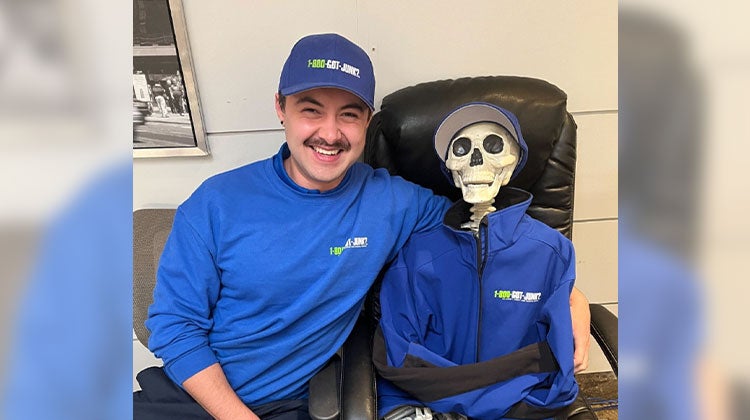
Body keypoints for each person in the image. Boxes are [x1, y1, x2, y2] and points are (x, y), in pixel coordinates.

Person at [134, 33, 591, 420]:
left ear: (368, 122)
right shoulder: (216, 203)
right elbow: (175, 327)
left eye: (349, 114)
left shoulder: (393, 202)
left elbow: (486, 232)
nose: (330, 134)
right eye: (311, 110)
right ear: (281, 108)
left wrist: (569, 292)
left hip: (292, 404)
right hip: (190, 397)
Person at [373, 103, 579, 420]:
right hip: (427, 408)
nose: (476, 160)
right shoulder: (416, 253)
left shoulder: (553, 252)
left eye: (493, 146)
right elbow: (397, 357)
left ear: (512, 164)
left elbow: (560, 378)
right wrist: (503, 389)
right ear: (449, 168)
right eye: (462, 149)